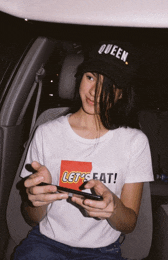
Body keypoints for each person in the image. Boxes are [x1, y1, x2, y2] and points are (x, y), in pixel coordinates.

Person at [13, 41, 154, 260]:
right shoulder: (46, 133)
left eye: (109, 85)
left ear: (120, 94)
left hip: (102, 251)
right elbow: (32, 218)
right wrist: (36, 200)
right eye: (91, 77)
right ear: (79, 78)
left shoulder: (134, 142)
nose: (95, 91)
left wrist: (114, 208)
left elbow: (128, 224)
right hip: (45, 244)